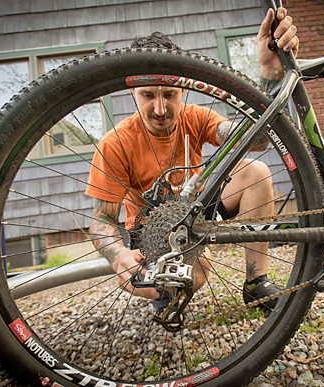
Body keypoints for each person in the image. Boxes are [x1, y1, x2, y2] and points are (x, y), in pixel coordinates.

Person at [86, 7, 300, 312]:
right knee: (192, 275)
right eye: (148, 95)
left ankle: (256, 281)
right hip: (148, 232)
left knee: (257, 172)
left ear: (183, 89)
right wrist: (117, 254)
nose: (160, 109)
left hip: (194, 212)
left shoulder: (196, 117)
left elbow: (258, 138)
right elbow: (100, 219)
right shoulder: (115, 143)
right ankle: (166, 292)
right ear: (134, 90)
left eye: (170, 95)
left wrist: (268, 74)